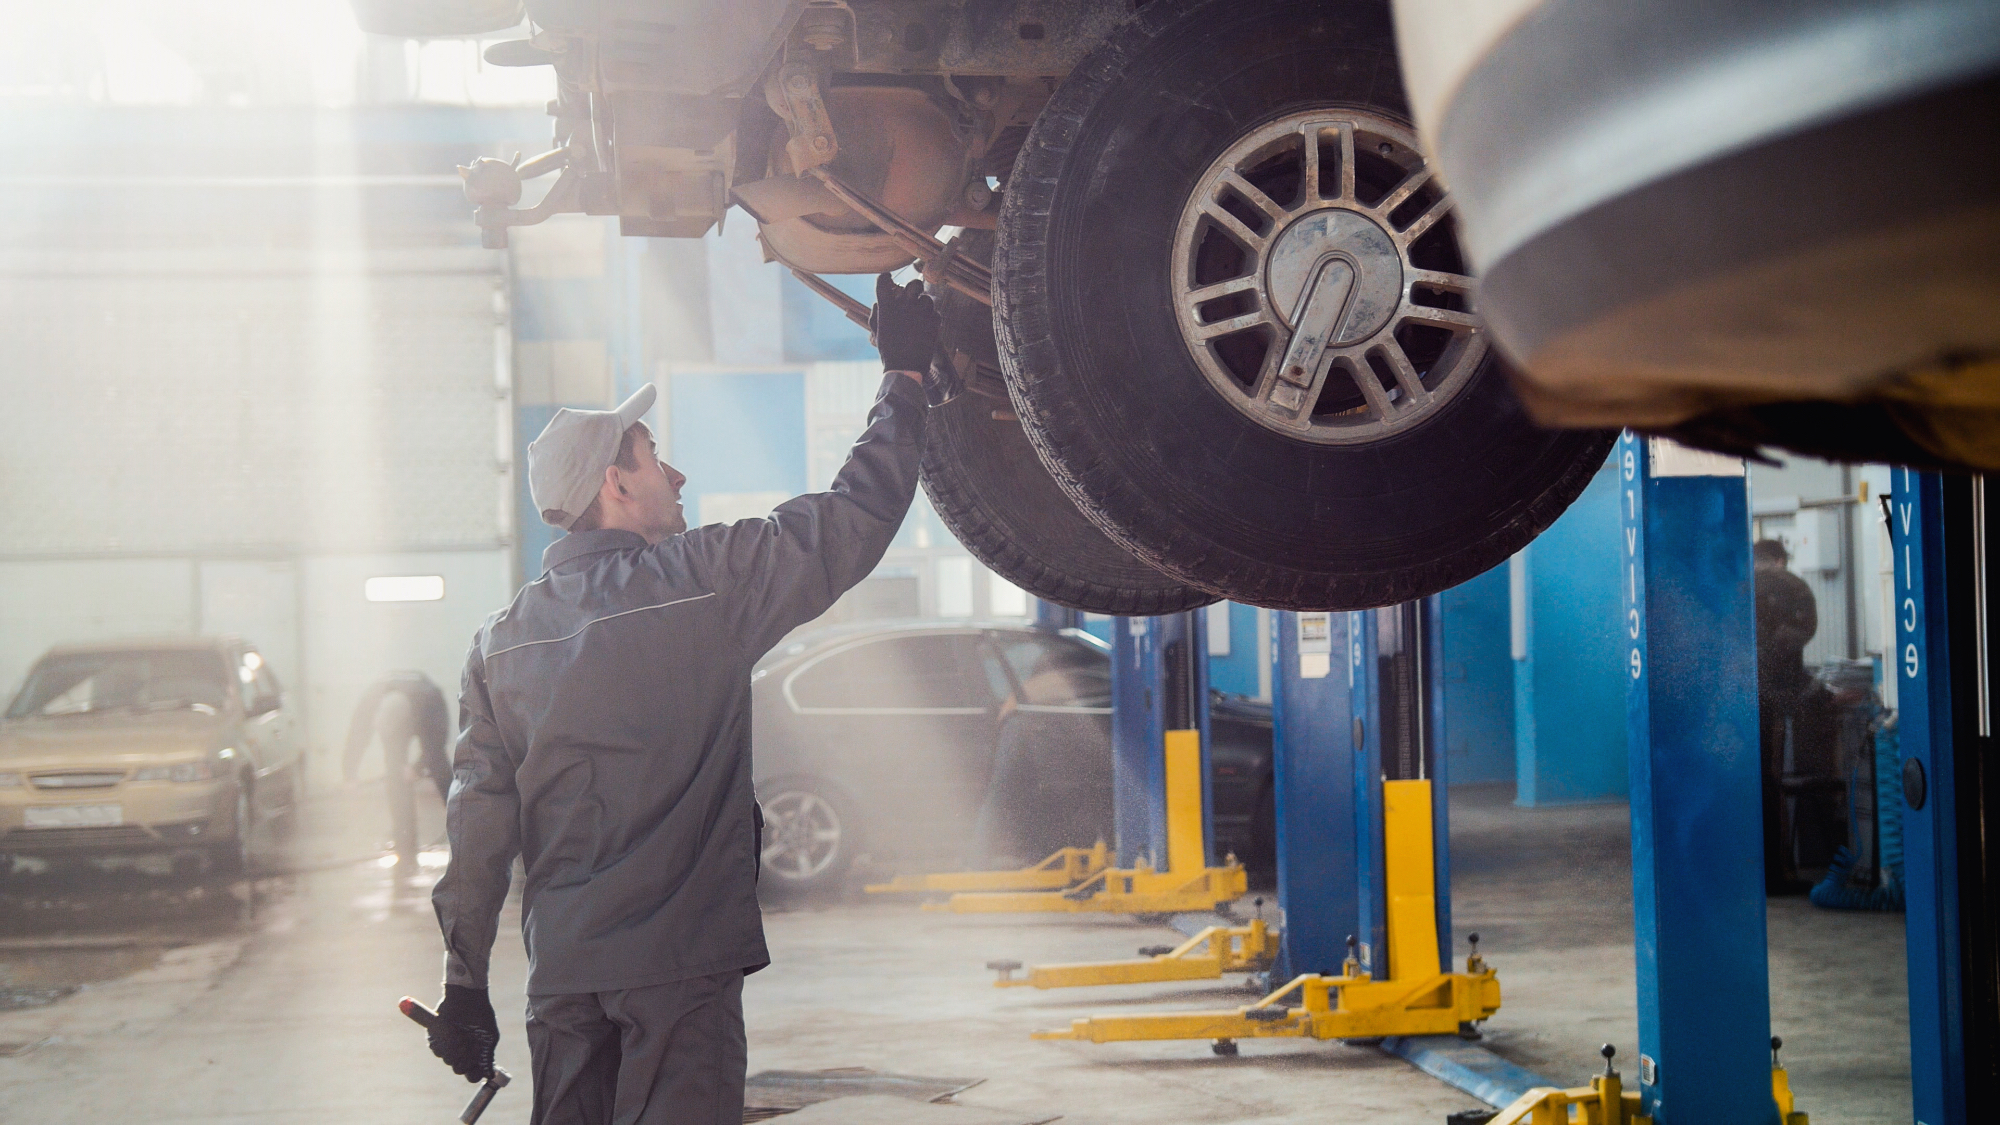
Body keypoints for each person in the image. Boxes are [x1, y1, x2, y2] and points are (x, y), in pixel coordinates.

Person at [424, 274, 936, 1124]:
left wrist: (463, 983)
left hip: (565, 981)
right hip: (678, 978)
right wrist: (904, 379)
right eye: (655, 455)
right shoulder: (705, 583)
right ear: (616, 489)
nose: (677, 470)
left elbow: (478, 823)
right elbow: (851, 519)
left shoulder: (499, 642)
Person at [1753, 537, 1818, 894]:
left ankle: (1747, 869)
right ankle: (1776, 876)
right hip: (1773, 696)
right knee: (1770, 781)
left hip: (1733, 698)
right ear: (1779, 558)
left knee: (1745, 780)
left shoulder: (1733, 581)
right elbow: (1802, 632)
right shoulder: (1791, 583)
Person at [344, 671, 455, 869]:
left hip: (424, 704)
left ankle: (465, 828)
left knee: (439, 768)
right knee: (395, 776)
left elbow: (436, 744)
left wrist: (418, 768)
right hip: (396, 710)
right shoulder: (371, 702)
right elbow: (356, 737)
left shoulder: (429, 702)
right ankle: (405, 840)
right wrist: (350, 775)